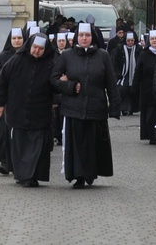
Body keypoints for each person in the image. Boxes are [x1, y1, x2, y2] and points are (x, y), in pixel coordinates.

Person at [51, 22, 121, 189]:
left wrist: (115, 107)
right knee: (77, 145)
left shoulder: (103, 55)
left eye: (87, 36)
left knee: (93, 143)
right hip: (73, 108)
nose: (84, 38)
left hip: (96, 108)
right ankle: (78, 176)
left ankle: (91, 174)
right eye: (81, 36)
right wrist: (70, 86)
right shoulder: (67, 56)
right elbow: (53, 79)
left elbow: (111, 83)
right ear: (76, 37)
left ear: (92, 37)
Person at [0, 33, 56, 187]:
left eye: (40, 49)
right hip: (18, 111)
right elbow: (0, 82)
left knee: (37, 148)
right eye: (34, 47)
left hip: (40, 113)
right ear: (29, 46)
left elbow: (57, 85)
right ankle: (22, 176)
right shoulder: (17, 60)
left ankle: (32, 176)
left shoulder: (51, 63)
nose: (36, 51)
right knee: (20, 147)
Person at [0, 27, 26, 175]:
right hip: (6, 102)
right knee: (4, 134)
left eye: (19, 38)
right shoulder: (2, 57)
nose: (17, 41)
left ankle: (19, 163)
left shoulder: (29, 55)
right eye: (14, 38)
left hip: (23, 102)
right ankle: (5, 162)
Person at [131, 30, 156, 144]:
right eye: (152, 39)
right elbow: (138, 72)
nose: (154, 40)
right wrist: (134, 88)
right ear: (148, 41)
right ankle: (151, 135)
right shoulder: (144, 54)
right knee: (150, 114)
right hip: (147, 89)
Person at [112, 31, 142, 116]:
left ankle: (132, 108)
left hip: (134, 75)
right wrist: (118, 74)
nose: (130, 42)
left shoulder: (138, 49)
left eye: (132, 40)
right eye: (128, 41)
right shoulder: (120, 49)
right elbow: (115, 62)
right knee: (123, 90)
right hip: (123, 75)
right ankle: (124, 109)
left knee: (133, 91)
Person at [51, 33, 70, 146]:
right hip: (57, 87)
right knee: (56, 115)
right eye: (59, 41)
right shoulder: (52, 55)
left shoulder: (70, 54)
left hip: (67, 87)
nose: (62, 43)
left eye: (63, 41)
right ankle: (57, 135)